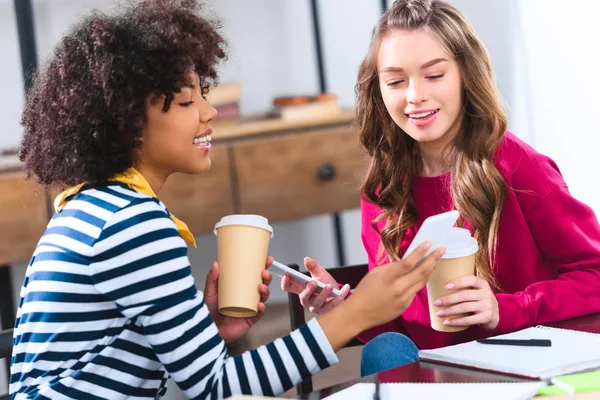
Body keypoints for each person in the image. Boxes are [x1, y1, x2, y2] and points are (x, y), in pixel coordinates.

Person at [10, 0, 446, 398]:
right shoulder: (130, 223)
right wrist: (354, 315)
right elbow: (217, 387)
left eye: (203, 93)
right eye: (185, 101)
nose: (208, 111)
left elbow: (113, 355)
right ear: (127, 123)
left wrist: (205, 328)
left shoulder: (95, 206)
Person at [282, 0, 600, 377]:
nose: (414, 95)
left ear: (466, 75)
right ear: (378, 89)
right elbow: (398, 332)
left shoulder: (518, 166)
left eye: (434, 75)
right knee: (386, 350)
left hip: (521, 365)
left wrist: (508, 307)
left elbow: (593, 273)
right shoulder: (381, 188)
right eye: (396, 81)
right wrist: (346, 311)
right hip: (436, 375)